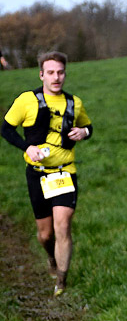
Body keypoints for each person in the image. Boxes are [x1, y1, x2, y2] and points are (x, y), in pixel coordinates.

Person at [1, 51, 93, 295]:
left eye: (60, 72)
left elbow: (88, 127)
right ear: (41, 75)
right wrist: (27, 147)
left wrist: (83, 133)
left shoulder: (74, 103)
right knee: (45, 234)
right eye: (51, 72)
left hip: (64, 173)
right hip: (38, 174)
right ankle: (51, 257)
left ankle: (61, 281)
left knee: (63, 225)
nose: (56, 77)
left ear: (65, 74)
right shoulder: (26, 100)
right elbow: (6, 129)